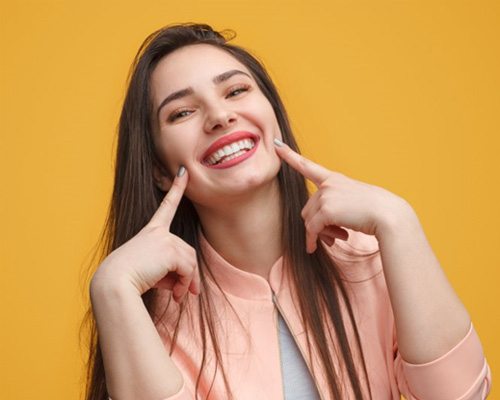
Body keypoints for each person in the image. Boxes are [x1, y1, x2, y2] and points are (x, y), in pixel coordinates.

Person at [82, 23, 491, 400]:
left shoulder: (370, 257)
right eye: (182, 112)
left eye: (236, 91)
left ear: (273, 117)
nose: (220, 116)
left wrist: (400, 221)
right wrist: (111, 289)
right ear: (159, 170)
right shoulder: (153, 316)